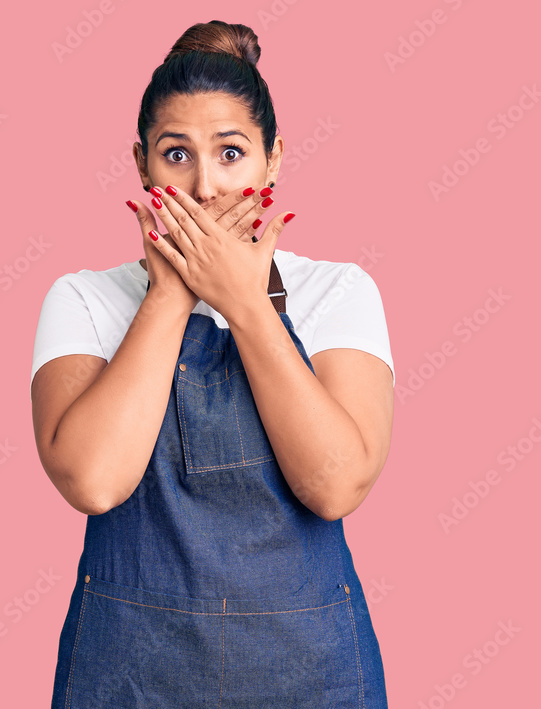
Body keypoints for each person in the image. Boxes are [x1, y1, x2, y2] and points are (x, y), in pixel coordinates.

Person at [31, 20, 394, 708]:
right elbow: (94, 480)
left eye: (231, 153)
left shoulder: (339, 292)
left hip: (311, 678)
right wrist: (170, 296)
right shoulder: (82, 299)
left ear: (273, 160)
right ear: (141, 165)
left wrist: (246, 306)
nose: (204, 188)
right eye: (176, 155)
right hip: (129, 679)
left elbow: (336, 484)